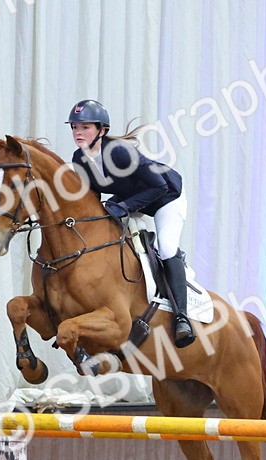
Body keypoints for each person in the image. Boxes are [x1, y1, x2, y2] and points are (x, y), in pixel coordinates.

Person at [66, 99, 195, 347]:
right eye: (74, 127)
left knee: (167, 247)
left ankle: (182, 318)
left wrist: (124, 206)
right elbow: (92, 196)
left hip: (167, 196)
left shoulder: (120, 152)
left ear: (102, 130)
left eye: (85, 127)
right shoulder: (79, 159)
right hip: (134, 197)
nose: (78, 133)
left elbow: (160, 186)